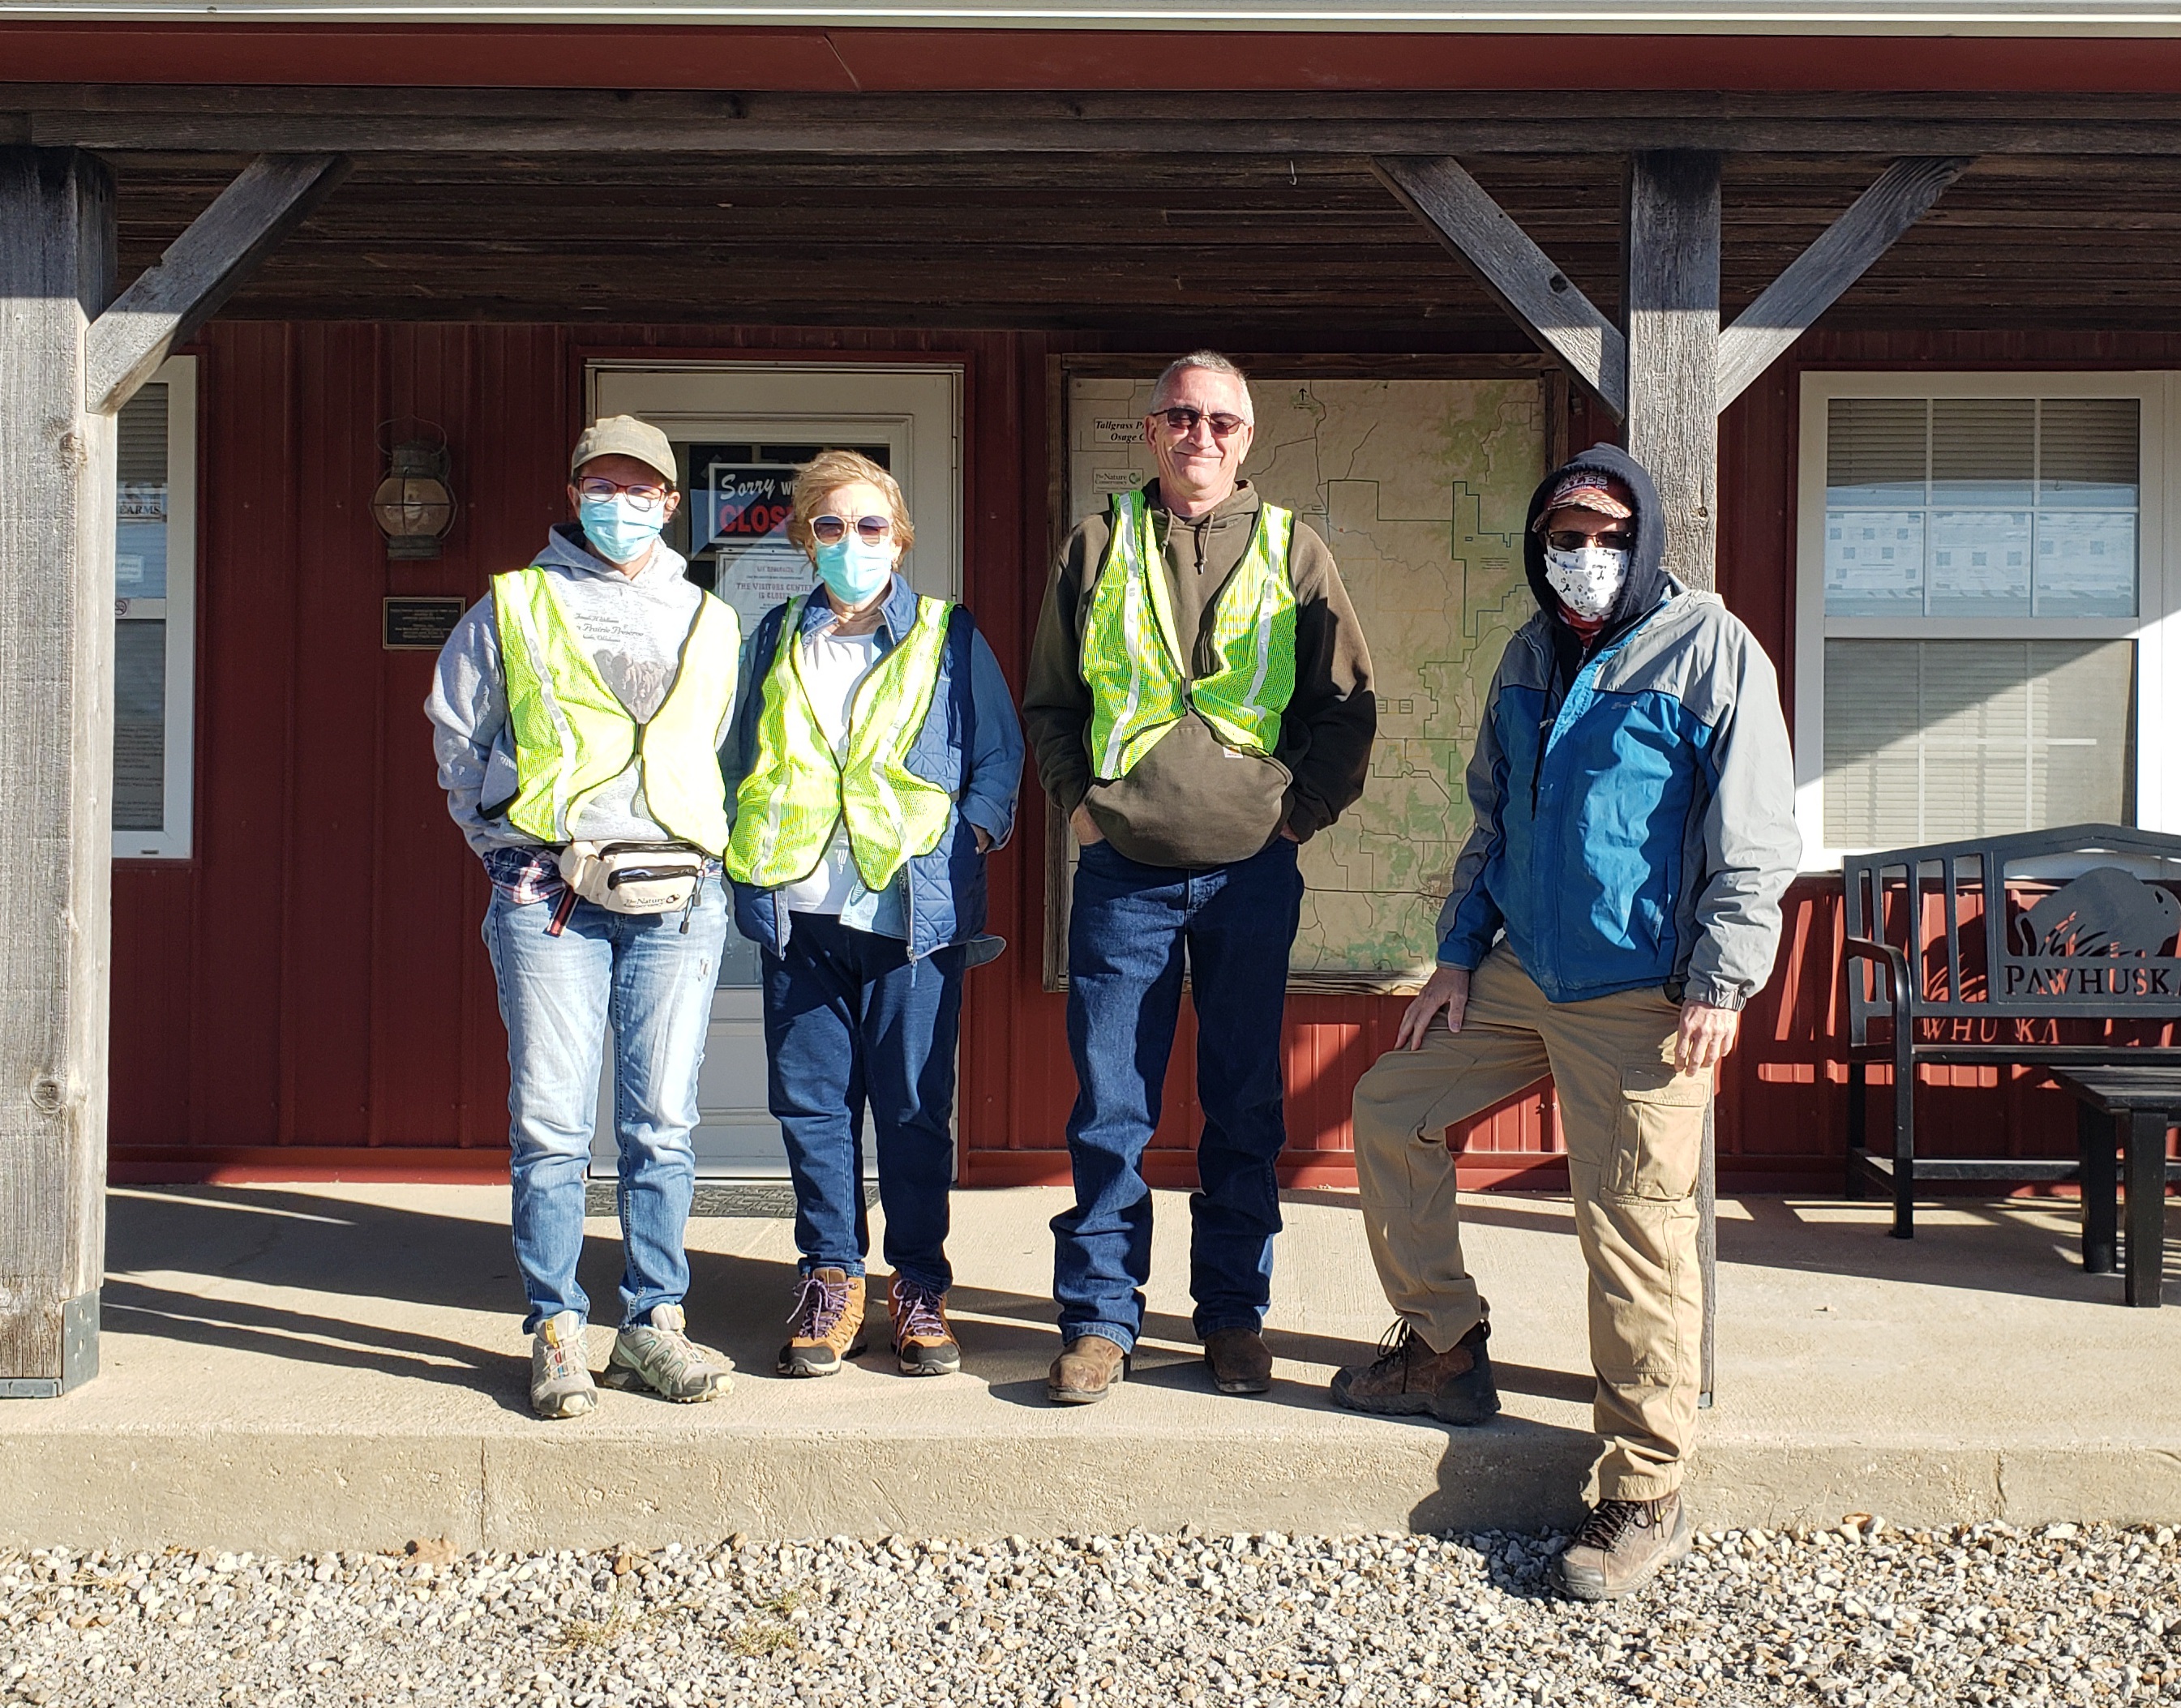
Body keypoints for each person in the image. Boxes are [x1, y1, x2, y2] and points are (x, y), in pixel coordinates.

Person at [1330, 447, 1799, 1600]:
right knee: (1391, 1106)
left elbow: (1754, 837)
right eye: (1563, 535)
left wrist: (1719, 981)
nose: (1582, 557)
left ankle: (1643, 1486)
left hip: (1648, 993)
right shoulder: (1527, 653)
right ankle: (1443, 1345)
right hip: (1522, 971)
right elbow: (1490, 817)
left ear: (1638, 542)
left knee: (1631, 1230)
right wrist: (1452, 957)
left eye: (1603, 534)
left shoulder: (1708, 648)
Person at [1023, 350, 1377, 1405]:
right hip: (1121, 874)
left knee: (1242, 1104)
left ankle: (1230, 1313)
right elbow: (1048, 701)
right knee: (1110, 1108)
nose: (1201, 436)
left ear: (1247, 436)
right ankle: (1097, 1318)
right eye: (1180, 416)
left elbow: (1345, 707)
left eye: (1222, 420)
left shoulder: (1293, 548)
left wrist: (1292, 820)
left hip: (1248, 879)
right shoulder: (1096, 543)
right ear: (1150, 431)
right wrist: (1077, 805)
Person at [427, 414, 739, 1420]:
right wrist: (511, 852)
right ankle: (557, 1327)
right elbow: (458, 735)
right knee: (552, 1126)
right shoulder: (512, 606)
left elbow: (713, 753)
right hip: (548, 901)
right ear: (572, 496)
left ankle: (655, 1322)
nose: (620, 503)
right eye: (600, 486)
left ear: (669, 500)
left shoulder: (708, 617)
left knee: (662, 1127)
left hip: (679, 903)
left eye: (639, 487)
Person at [722, 450, 1022, 1381]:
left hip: (910, 922)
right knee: (812, 1110)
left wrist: (965, 838)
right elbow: (739, 758)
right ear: (803, 537)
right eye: (829, 525)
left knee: (911, 1111)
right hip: (801, 915)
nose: (850, 543)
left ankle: (920, 1286)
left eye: (868, 526)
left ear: (898, 537)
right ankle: (830, 1276)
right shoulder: (771, 636)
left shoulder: (947, 633)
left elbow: (998, 761)